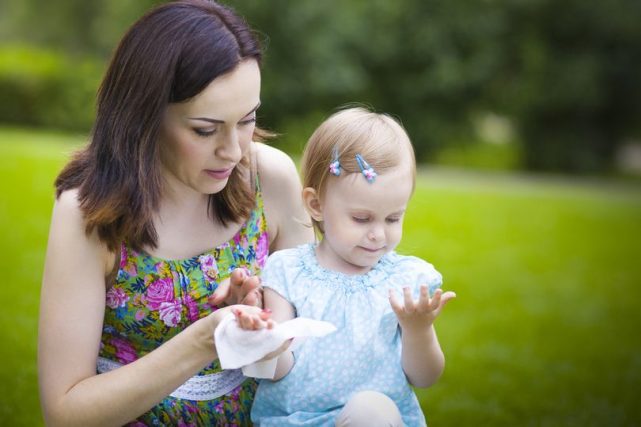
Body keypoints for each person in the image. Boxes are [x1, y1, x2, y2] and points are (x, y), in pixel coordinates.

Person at [37, 1, 313, 426]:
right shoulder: (88, 211)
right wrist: (206, 340)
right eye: (205, 130)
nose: (234, 150)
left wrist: (261, 329)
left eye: (247, 120)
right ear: (143, 115)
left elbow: (310, 349)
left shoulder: (269, 178)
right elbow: (65, 413)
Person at [234, 107, 456, 426]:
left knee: (371, 410)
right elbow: (277, 371)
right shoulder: (288, 271)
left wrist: (418, 330)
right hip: (297, 419)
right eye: (361, 218)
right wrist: (264, 338)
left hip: (371, 420)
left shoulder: (404, 281)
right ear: (316, 205)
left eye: (393, 218)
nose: (379, 233)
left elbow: (425, 378)